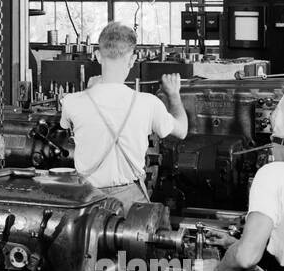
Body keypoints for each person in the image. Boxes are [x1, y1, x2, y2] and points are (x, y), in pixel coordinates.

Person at [60, 21, 188, 209]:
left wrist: (89, 90)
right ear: (132, 59)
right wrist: (174, 95)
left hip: (86, 203)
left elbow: (67, 126)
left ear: (97, 56)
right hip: (131, 202)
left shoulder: (71, 102)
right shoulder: (148, 103)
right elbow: (182, 130)